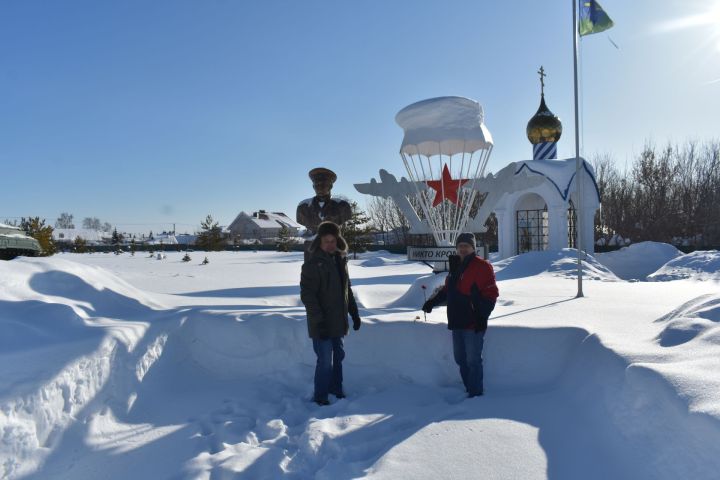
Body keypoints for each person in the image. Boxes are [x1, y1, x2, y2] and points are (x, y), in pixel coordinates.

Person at [422, 233, 498, 398]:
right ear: (456, 248)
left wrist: (481, 316)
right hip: (457, 321)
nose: (463, 249)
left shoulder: (483, 266)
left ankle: (475, 393)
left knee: (473, 360)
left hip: (473, 323)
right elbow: (448, 290)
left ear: (473, 248)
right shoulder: (455, 265)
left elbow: (491, 294)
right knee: (460, 359)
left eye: (466, 246)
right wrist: (432, 302)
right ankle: (469, 388)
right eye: (460, 246)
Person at [300, 221, 361, 405]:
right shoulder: (312, 264)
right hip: (321, 323)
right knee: (325, 360)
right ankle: (320, 396)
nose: (330, 244)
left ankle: (336, 389)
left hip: (338, 321)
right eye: (326, 241)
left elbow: (346, 289)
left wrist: (354, 313)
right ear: (319, 241)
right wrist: (319, 322)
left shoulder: (340, 260)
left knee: (339, 357)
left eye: (333, 241)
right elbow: (308, 296)